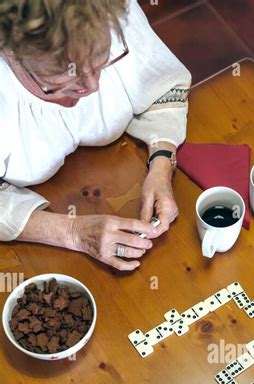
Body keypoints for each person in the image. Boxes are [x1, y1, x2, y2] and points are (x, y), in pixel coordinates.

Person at [0, 0, 192, 271]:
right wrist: (72, 231)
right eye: (65, 73)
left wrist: (161, 164)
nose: (92, 86)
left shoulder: (103, 10)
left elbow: (159, 85)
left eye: (101, 58)